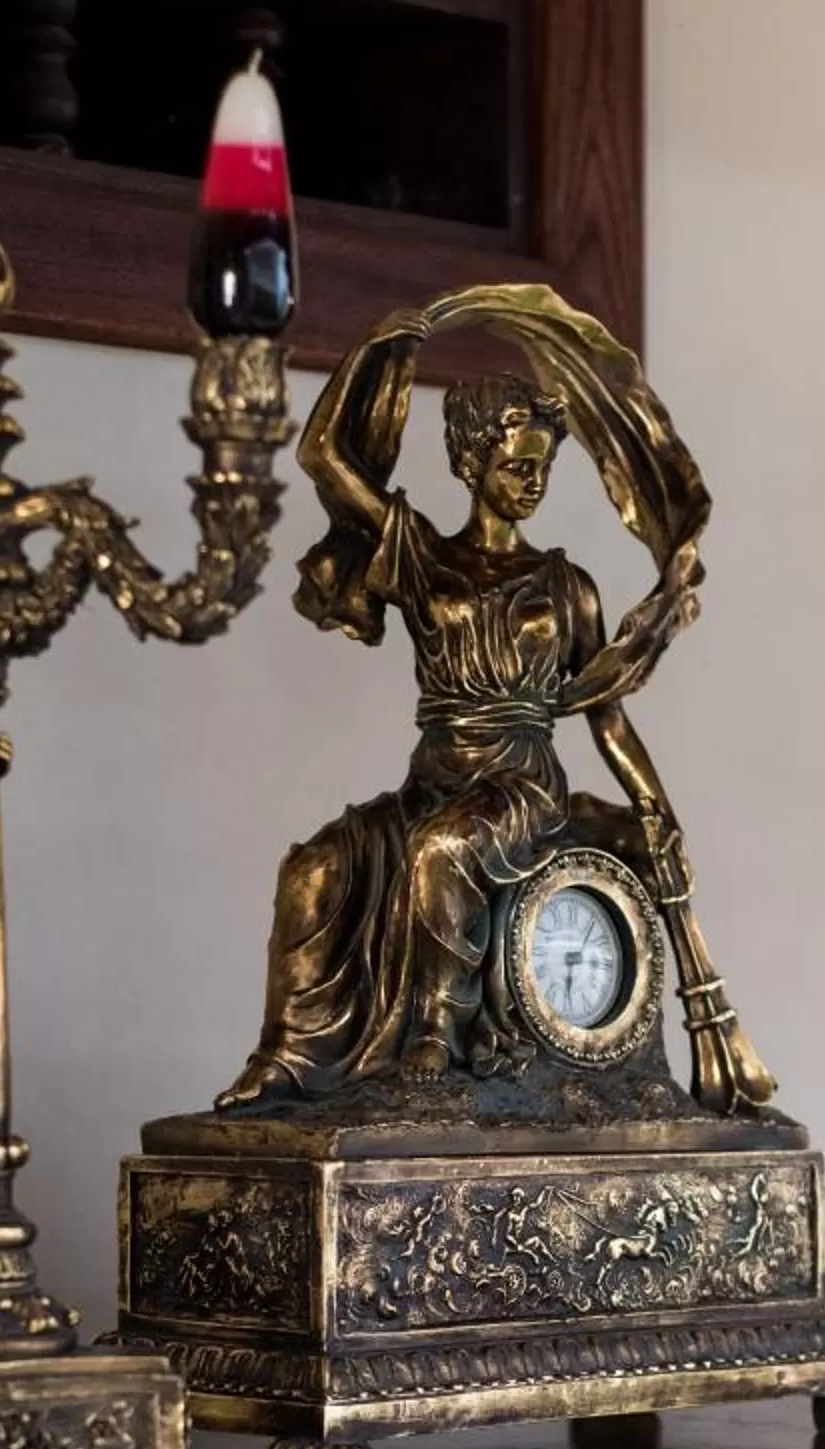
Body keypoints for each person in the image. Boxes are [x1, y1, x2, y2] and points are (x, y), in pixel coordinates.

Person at [218, 322, 693, 1106]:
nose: (533, 483)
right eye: (515, 466)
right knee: (314, 867)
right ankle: (290, 1057)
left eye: (542, 467)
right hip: (434, 781)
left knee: (443, 849)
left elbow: (606, 719)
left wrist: (656, 807)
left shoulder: (565, 584)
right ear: (472, 464)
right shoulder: (422, 556)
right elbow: (324, 457)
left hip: (520, 785)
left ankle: (437, 1030)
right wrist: (375, 348)